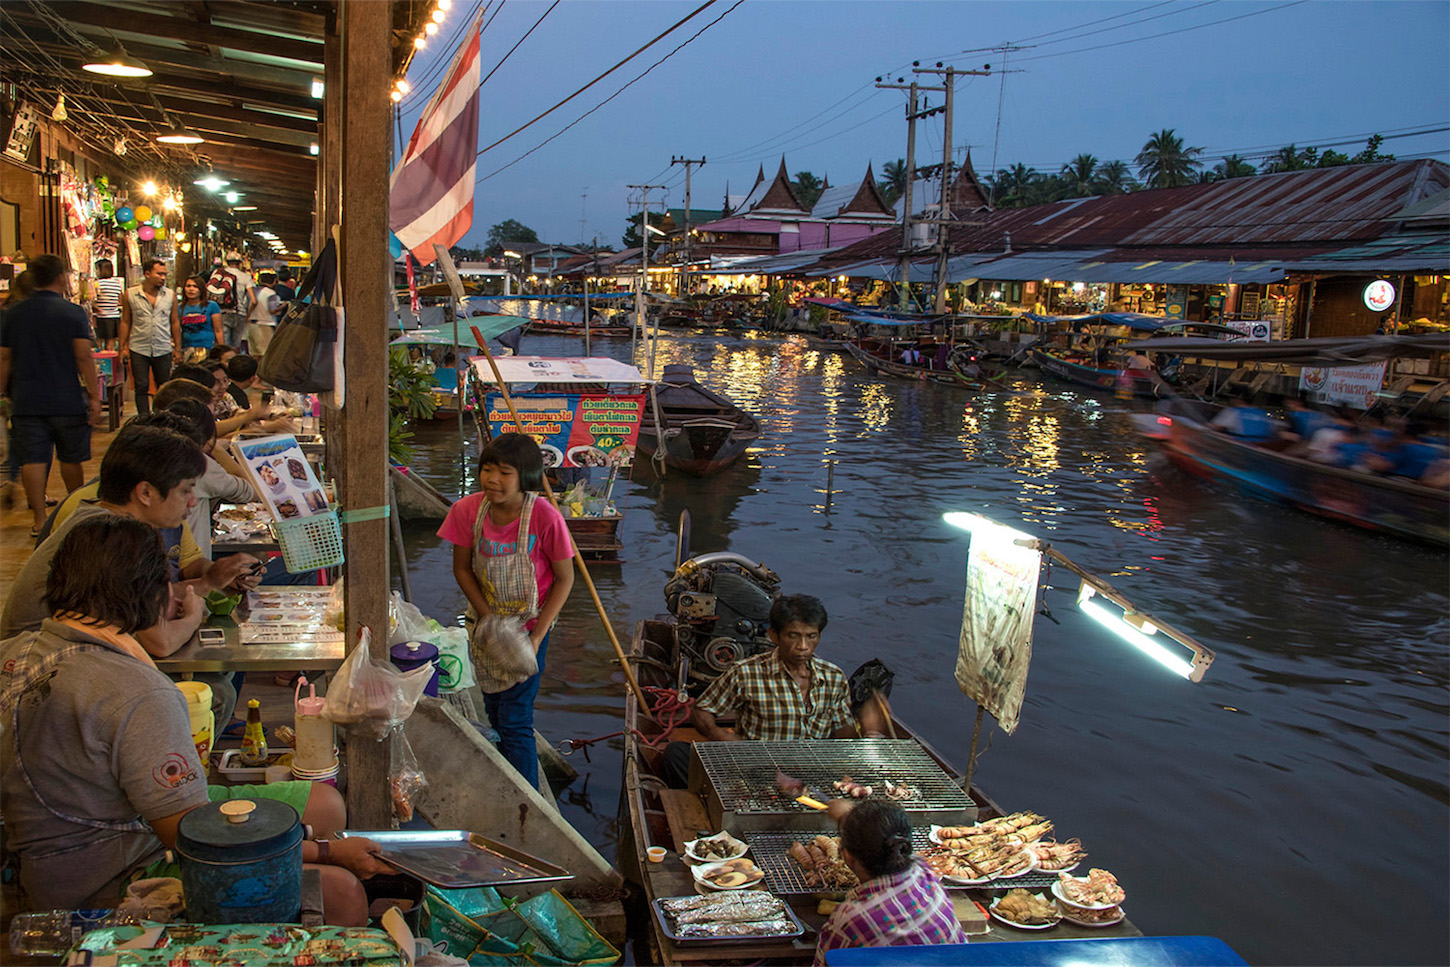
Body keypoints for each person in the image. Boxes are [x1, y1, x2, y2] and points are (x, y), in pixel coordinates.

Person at [0, 514, 388, 923]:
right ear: (146, 592)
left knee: (324, 802)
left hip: (54, 858)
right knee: (342, 891)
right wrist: (326, 851)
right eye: (165, 583)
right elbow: (194, 838)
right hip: (111, 877)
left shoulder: (16, 651)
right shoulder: (137, 692)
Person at [437, 434, 574, 789]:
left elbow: (564, 579)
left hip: (530, 627)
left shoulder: (545, 517)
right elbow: (462, 569)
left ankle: (527, 799)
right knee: (494, 705)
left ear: (525, 476)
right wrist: (488, 619)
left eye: (504, 472)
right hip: (485, 623)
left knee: (515, 718)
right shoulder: (466, 511)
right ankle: (504, 780)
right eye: (486, 470)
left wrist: (536, 635)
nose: (492, 480)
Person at [0, 254, 103, 536]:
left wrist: (3, 392)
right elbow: (83, 357)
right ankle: (75, 511)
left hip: (26, 397)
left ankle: (39, 520)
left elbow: (4, 358)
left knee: (33, 459)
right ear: (60, 277)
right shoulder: (71, 312)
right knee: (70, 458)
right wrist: (94, 397)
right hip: (66, 396)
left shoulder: (14, 313)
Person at [814, 800, 968, 963]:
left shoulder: (850, 918)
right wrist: (848, 816)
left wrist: (849, 818)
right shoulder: (924, 872)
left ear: (847, 856)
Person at [118, 257, 180, 416]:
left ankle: (162, 416)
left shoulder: (169, 295)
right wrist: (122, 347)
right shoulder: (131, 294)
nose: (163, 278)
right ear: (147, 274)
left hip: (163, 346)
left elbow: (174, 322)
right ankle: (144, 418)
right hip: (139, 346)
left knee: (164, 386)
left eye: (165, 274)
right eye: (159, 274)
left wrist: (178, 347)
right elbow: (125, 321)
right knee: (141, 385)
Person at [207, 252, 252, 348]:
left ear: (226, 262)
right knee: (235, 346)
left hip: (221, 312)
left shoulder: (218, 273)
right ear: (240, 263)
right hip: (240, 313)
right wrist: (248, 314)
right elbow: (254, 300)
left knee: (224, 346)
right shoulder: (246, 277)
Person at [177, 275, 223, 359]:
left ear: (201, 289)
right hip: (187, 348)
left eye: (195, 286)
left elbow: (218, 330)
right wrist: (178, 349)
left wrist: (222, 351)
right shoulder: (179, 308)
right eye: (188, 286)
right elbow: (177, 330)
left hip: (207, 348)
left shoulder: (212, 306)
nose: (191, 289)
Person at [89, 258, 124, 352]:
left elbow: (92, 300)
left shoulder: (97, 284)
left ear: (100, 270)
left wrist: (97, 307)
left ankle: (102, 365)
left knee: (98, 345)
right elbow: (120, 301)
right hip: (114, 317)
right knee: (110, 346)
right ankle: (111, 364)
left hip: (100, 317)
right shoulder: (116, 284)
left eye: (96, 269)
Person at [247, 270, 282, 356]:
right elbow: (272, 310)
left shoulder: (252, 292)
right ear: (274, 282)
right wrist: (283, 305)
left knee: (254, 353)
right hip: (265, 324)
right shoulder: (271, 293)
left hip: (250, 325)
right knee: (266, 353)